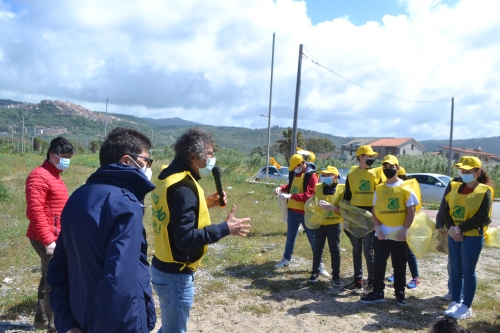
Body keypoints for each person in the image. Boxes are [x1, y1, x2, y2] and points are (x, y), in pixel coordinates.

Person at [47, 127, 157, 333]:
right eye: (146, 161)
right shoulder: (126, 204)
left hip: (80, 315)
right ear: (127, 161)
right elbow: (119, 279)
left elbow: (58, 268)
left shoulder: (77, 197)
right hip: (120, 323)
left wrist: (67, 322)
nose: (149, 168)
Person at [151, 128, 251, 333]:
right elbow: (185, 239)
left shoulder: (168, 175)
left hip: (163, 266)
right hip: (175, 274)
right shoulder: (184, 187)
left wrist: (204, 203)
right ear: (193, 157)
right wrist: (225, 228)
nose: (213, 158)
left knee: (170, 327)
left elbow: (173, 213)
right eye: (210, 153)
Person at [25, 136, 75, 332]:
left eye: (69, 157)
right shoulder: (39, 176)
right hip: (45, 237)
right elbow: (35, 211)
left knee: (48, 277)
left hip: (54, 235)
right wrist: (48, 241)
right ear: (52, 155)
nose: (67, 160)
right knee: (55, 280)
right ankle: (55, 327)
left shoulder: (54, 175)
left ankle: (41, 319)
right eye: (64, 156)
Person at [360, 154, 419, 306]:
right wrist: (377, 228)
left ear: (397, 168)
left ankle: (400, 293)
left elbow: (411, 210)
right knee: (379, 263)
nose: (388, 170)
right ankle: (377, 292)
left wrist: (405, 230)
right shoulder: (379, 188)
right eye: (385, 167)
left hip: (399, 235)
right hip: (382, 235)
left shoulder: (406, 187)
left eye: (391, 167)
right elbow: (375, 210)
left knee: (399, 264)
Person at [442, 156, 493, 320]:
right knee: (455, 270)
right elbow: (445, 209)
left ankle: (466, 306)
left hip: (472, 236)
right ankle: (455, 301)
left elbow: (483, 216)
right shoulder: (455, 186)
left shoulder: (484, 191)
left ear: (477, 172)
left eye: (468, 171)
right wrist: (451, 228)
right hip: (453, 234)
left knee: (468, 271)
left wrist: (460, 228)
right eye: (462, 170)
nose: (463, 173)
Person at [274, 154, 328, 276]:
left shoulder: (312, 176)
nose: (294, 169)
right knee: (290, 237)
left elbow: (308, 194)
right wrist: (281, 188)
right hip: (293, 210)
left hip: (306, 212)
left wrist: (290, 196)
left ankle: (319, 265)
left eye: (295, 167)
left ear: (301, 164)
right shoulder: (294, 173)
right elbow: (290, 186)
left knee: (313, 239)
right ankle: (286, 260)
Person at [342, 145, 384, 292]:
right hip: (355, 215)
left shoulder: (377, 173)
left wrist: (378, 220)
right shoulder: (351, 173)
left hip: (370, 216)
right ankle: (358, 280)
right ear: (360, 157)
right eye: (369, 156)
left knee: (368, 250)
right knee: (356, 249)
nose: (372, 159)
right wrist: (346, 219)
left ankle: (372, 281)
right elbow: (347, 197)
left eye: (373, 156)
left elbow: (380, 198)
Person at [306, 166, 345, 285]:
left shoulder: (342, 189)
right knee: (318, 248)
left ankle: (336, 275)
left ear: (335, 177)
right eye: (324, 175)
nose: (325, 177)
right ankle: (315, 271)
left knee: (335, 249)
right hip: (320, 223)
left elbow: (346, 209)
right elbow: (311, 203)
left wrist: (332, 208)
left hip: (334, 223)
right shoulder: (317, 187)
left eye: (329, 175)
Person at [436, 157, 465, 301]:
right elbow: (444, 204)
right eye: (461, 169)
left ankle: (464, 294)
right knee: (452, 263)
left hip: (469, 231)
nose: (462, 172)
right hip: (452, 229)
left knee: (466, 265)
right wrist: (440, 223)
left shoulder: (481, 187)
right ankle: (453, 291)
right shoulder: (454, 183)